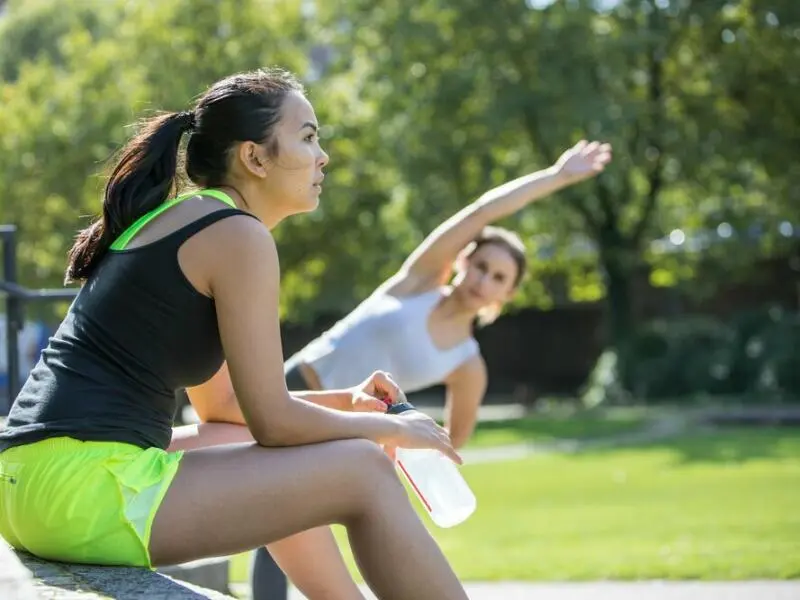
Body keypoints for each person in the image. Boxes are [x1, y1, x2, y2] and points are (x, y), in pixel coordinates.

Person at [0, 68, 469, 600]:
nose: (324, 156)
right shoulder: (237, 236)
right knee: (363, 468)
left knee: (248, 441)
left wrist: (349, 404)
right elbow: (273, 422)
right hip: (79, 490)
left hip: (30, 484)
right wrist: (389, 432)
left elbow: (226, 408)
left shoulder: (194, 218)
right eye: (309, 136)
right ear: (255, 157)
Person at [191, 137, 613, 598]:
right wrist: (556, 176)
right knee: (267, 513)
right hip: (290, 387)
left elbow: (448, 446)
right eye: (481, 266)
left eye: (498, 278)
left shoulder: (468, 366)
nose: (483, 280)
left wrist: (414, 456)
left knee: (287, 519)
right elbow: (479, 214)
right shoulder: (419, 282)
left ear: (506, 296)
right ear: (463, 261)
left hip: (347, 424)